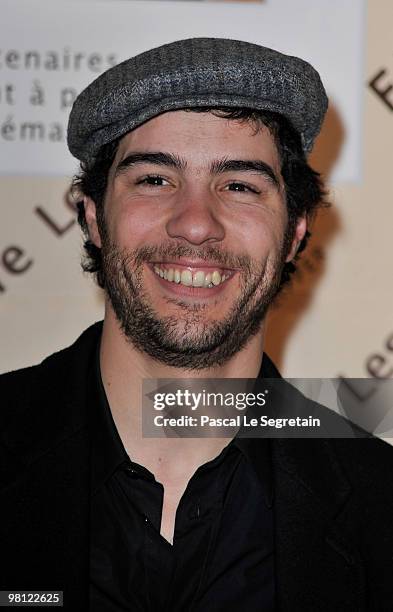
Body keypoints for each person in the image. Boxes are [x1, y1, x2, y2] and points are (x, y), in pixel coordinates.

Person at [1, 38, 392, 612]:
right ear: (94, 217)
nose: (195, 224)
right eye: (154, 179)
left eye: (239, 185)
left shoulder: (379, 505)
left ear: (294, 233)